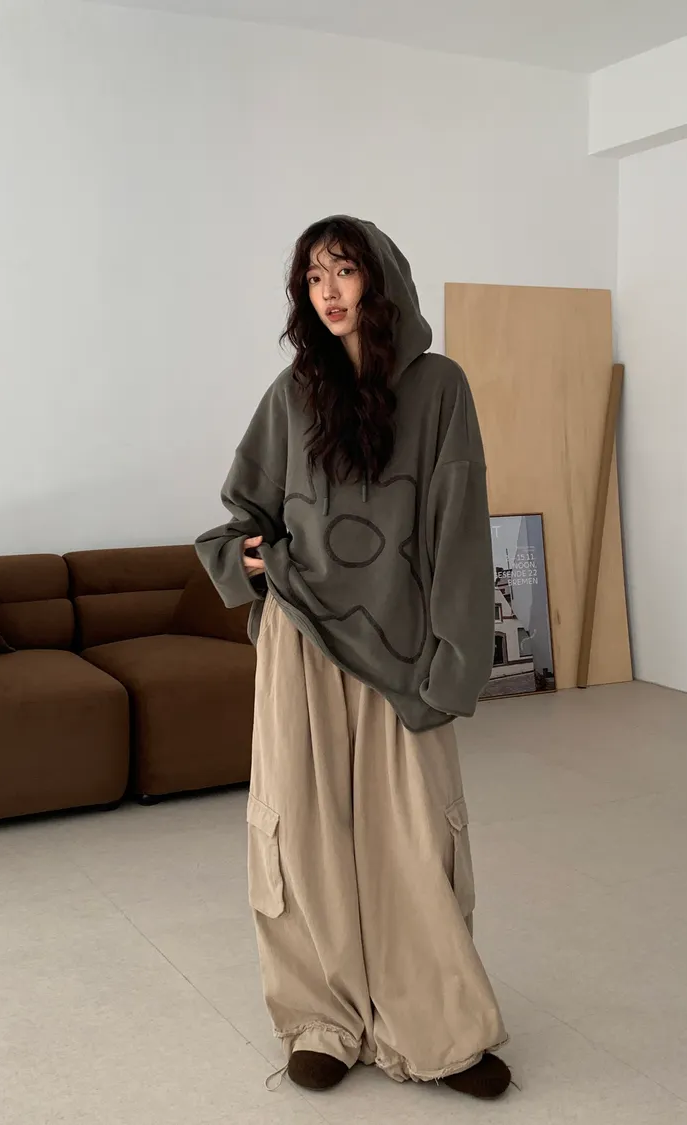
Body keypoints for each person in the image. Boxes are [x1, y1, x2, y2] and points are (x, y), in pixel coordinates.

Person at [197, 216, 510, 1099]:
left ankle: (436, 1026)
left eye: (343, 270)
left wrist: (456, 662)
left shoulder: (441, 387)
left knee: (413, 836)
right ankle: (322, 1019)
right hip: (302, 640)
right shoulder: (295, 392)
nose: (327, 290)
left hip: (401, 650)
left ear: (381, 278)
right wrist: (251, 559)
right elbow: (242, 511)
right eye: (312, 276)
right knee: (303, 832)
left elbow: (460, 529)